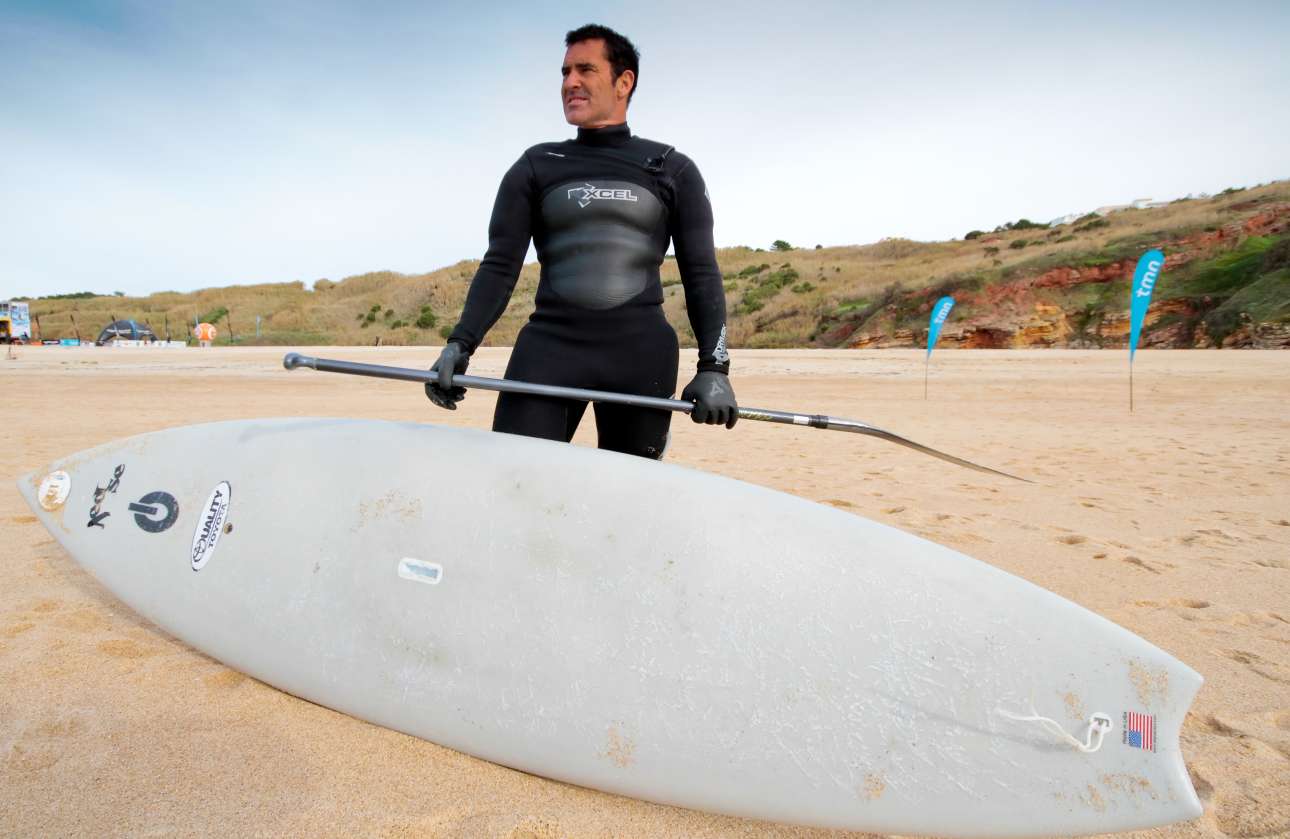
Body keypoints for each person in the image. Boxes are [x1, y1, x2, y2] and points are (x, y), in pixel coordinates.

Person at [426, 23, 736, 459]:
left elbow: (700, 272)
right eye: (565, 72)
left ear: (623, 82)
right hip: (550, 349)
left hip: (640, 354)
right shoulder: (537, 164)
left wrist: (715, 367)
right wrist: (460, 344)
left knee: (628, 491)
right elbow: (500, 265)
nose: (570, 82)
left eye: (585, 70)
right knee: (516, 477)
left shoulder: (672, 168)